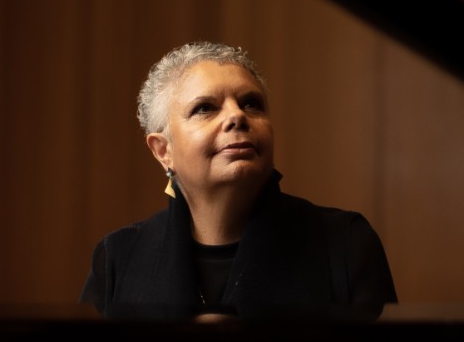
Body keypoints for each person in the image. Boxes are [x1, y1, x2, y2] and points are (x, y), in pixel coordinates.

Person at [80, 41, 397, 318]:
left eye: (251, 103)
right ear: (164, 151)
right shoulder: (119, 257)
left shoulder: (346, 243)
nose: (237, 116)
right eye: (205, 108)